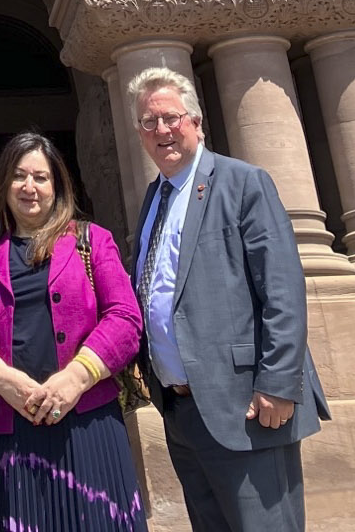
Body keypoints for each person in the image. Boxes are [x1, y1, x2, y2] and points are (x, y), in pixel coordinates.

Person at [129, 68, 328, 532]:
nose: (161, 131)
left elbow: (281, 288)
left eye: (170, 118)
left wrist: (279, 382)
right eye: (148, 123)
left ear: (195, 121)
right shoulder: (153, 198)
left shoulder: (242, 182)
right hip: (182, 410)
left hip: (248, 405)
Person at [0, 130, 147, 532]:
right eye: (19, 176)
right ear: (3, 185)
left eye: (41, 177)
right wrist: (5, 381)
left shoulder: (91, 240)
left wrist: (76, 377)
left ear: (57, 185)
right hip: (9, 430)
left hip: (88, 421)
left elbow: (125, 318)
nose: (30, 187)